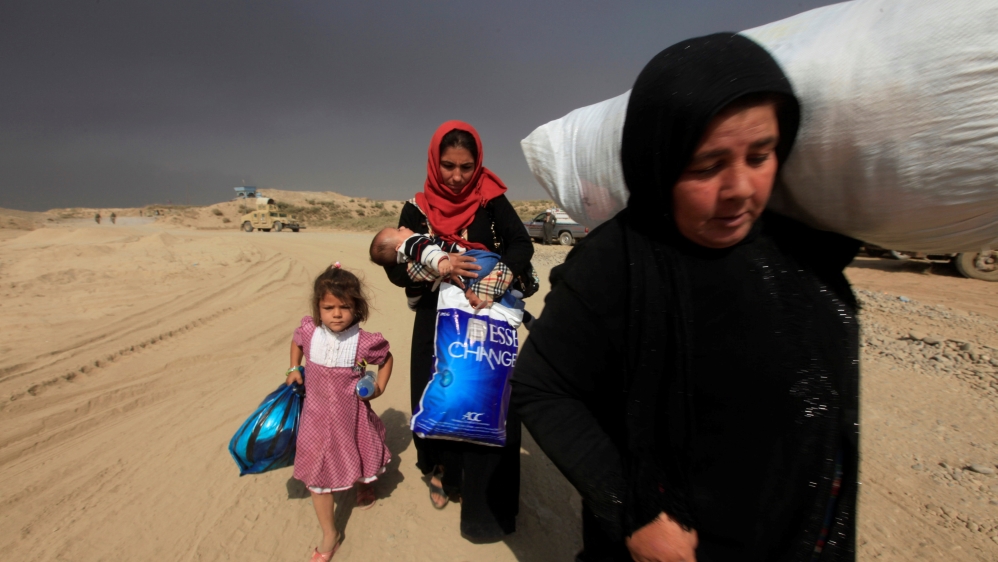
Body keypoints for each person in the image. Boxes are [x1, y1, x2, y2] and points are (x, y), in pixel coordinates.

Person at [512, 34, 860, 562]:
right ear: (658, 162)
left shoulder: (804, 246)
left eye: (760, 155)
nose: (740, 188)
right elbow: (541, 385)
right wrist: (633, 510)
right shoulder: (615, 265)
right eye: (706, 166)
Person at [384, 120, 533, 542]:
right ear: (435, 163)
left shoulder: (491, 198)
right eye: (448, 166)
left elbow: (521, 245)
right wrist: (441, 266)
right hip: (435, 320)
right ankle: (444, 471)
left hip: (485, 315)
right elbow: (396, 268)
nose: (456, 176)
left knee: (488, 399)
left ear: (477, 164)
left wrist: (491, 284)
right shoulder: (416, 209)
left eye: (466, 167)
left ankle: (485, 500)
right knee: (438, 396)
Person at [285, 263, 394, 561]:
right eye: (328, 307)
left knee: (358, 451)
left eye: (344, 307)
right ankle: (330, 534)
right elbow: (296, 342)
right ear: (317, 308)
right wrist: (293, 368)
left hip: (351, 417)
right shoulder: (310, 332)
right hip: (315, 419)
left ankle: (363, 485)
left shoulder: (364, 342)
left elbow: (386, 359)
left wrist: (379, 386)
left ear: (357, 308)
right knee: (318, 474)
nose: (336, 314)